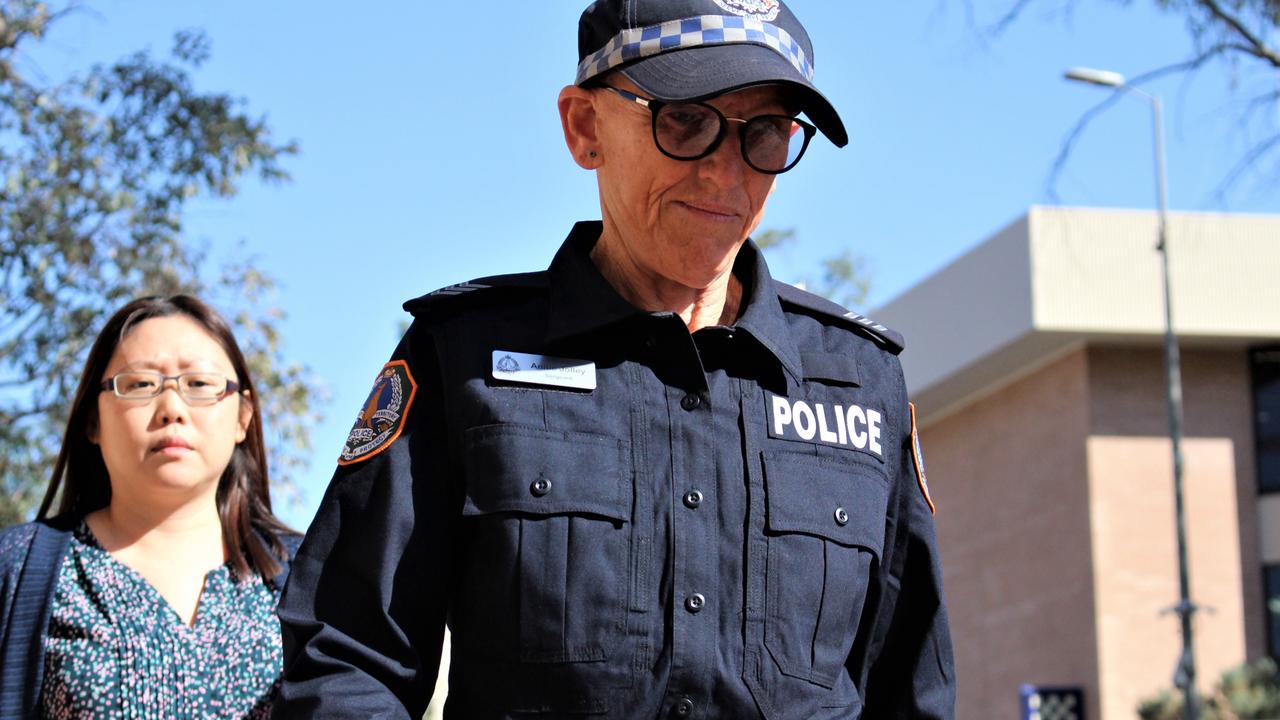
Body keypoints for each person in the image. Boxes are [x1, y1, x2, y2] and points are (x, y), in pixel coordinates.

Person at [277, 0, 954, 717]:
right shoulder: (465, 357)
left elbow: (912, 690)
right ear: (585, 127)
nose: (727, 173)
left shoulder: (858, 381)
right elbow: (349, 662)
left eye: (765, 133)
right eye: (686, 121)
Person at [0, 295, 302, 719]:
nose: (172, 409)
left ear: (243, 416)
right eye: (140, 384)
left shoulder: (311, 577)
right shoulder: (15, 569)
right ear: (93, 420)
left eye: (199, 385)